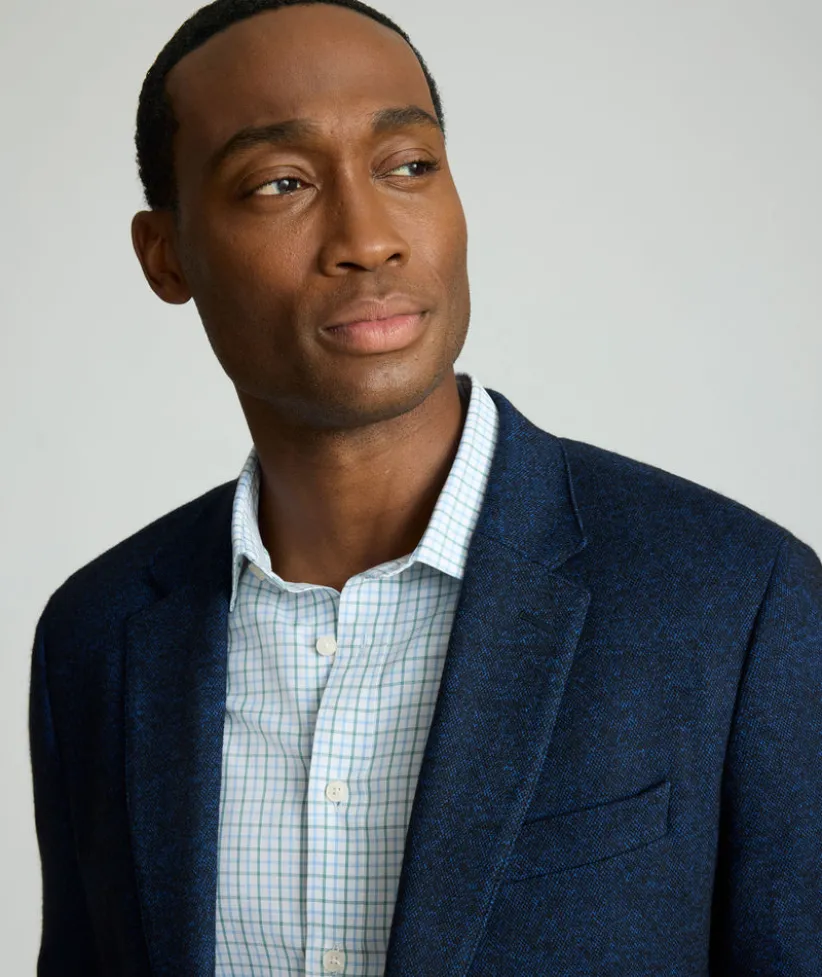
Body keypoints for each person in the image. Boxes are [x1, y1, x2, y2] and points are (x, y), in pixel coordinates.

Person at [28, 0, 822, 974]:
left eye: (408, 166)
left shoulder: (736, 598)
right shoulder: (97, 637)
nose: (368, 239)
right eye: (280, 183)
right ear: (167, 255)